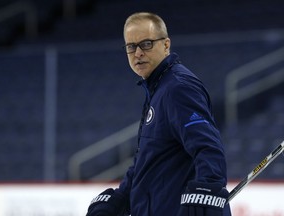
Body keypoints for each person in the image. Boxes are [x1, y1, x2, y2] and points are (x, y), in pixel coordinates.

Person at [86, 12, 232, 216]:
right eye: (131, 46)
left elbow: (208, 146)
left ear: (166, 44)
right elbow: (147, 160)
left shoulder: (178, 88)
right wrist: (121, 198)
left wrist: (208, 191)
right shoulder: (157, 89)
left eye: (146, 44)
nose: (137, 53)